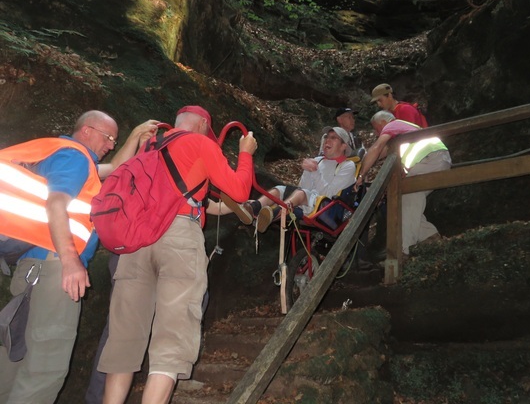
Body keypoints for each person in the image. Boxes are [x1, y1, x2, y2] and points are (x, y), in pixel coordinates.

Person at [98, 105, 257, 404]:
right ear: (201, 125)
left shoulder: (150, 146)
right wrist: (246, 153)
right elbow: (238, 190)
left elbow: (194, 198)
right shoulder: (200, 143)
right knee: (171, 340)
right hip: (178, 240)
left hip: (137, 241)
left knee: (124, 339)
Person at [0, 111, 159, 404]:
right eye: (108, 137)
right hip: (55, 270)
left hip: (31, 268)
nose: (111, 145)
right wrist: (71, 260)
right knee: (47, 367)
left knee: (15, 356)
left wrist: (136, 137)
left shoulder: (57, 156)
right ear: (86, 131)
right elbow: (56, 203)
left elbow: (114, 168)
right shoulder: (75, 158)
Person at [355, 111, 451, 258]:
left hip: (431, 158)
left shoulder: (393, 125)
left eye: (376, 129)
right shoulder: (404, 130)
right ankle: (431, 238)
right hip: (438, 159)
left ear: (382, 123)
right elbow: (380, 153)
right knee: (408, 198)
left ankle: (403, 251)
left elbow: (377, 148)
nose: (376, 133)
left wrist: (360, 175)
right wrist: (363, 166)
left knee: (405, 194)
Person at [232, 127, 356, 233]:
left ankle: (273, 214)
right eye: (327, 137)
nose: (327, 140)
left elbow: (328, 194)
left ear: (344, 145)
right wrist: (308, 171)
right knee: (280, 190)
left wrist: (314, 172)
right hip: (307, 201)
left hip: (326, 209)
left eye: (333, 138)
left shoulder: (348, 166)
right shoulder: (318, 160)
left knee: (301, 194)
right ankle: (252, 208)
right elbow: (303, 187)